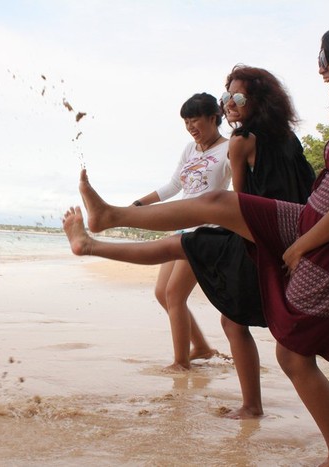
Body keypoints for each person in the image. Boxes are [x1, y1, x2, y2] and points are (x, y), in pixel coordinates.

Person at [65, 17, 329, 466]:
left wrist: (301, 245)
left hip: (324, 236)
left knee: (292, 355)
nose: (321, 69)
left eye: (326, 58)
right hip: (309, 219)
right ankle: (109, 218)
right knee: (215, 207)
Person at [65, 65, 315, 419]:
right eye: (227, 95)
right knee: (195, 299)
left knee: (184, 291)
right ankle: (100, 232)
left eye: (238, 97)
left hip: (244, 233)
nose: (230, 102)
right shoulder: (287, 139)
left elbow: (240, 202)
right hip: (279, 232)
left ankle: (100, 233)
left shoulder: (238, 143)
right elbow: (176, 186)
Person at [131, 92, 230, 372]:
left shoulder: (229, 148)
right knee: (162, 292)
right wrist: (138, 205)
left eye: (195, 120)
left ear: (214, 117)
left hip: (206, 232)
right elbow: (174, 186)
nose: (190, 127)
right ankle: (201, 347)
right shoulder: (190, 149)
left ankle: (181, 362)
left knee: (175, 294)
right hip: (183, 227)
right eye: (186, 122)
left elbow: (240, 189)